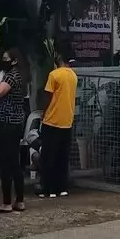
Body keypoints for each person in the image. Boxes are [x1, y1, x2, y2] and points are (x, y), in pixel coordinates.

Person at [0, 48, 28, 214]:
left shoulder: (12, 75)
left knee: (6, 163)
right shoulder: (19, 75)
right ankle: (20, 200)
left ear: (14, 60)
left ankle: (6, 202)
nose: (4, 61)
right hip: (14, 123)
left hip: (6, 123)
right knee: (14, 162)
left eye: (6, 58)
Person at [39, 48, 78, 198]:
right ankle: (61, 188)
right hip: (67, 121)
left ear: (60, 57)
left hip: (52, 120)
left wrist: (43, 112)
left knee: (48, 156)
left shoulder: (54, 75)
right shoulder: (73, 76)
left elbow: (48, 96)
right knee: (62, 156)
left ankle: (48, 188)